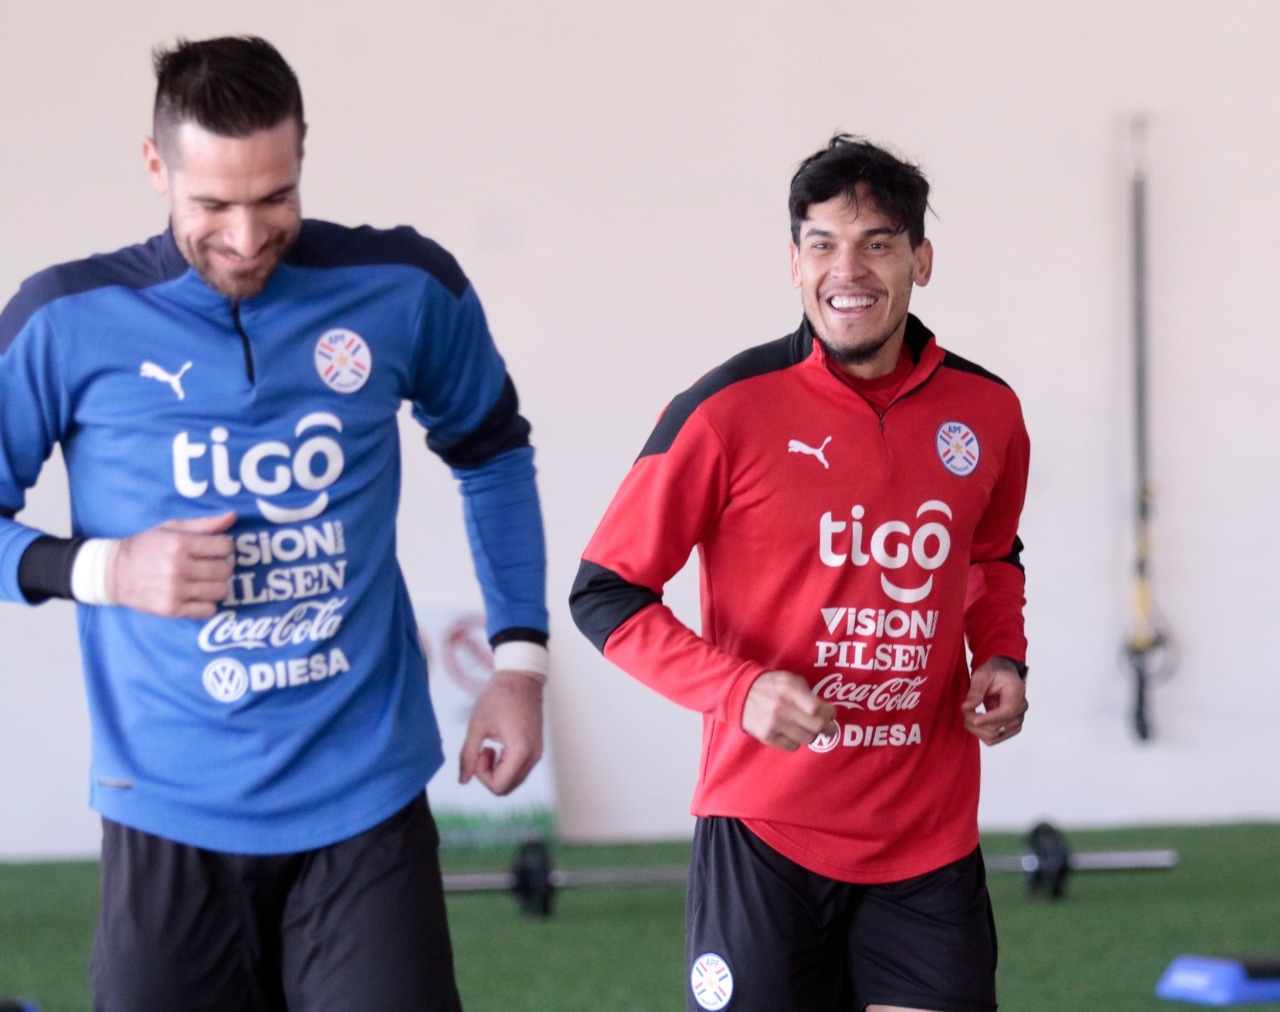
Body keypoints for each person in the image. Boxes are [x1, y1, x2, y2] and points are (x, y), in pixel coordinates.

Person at [0, 36, 549, 1011]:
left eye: (274, 197)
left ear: (301, 153)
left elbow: (492, 450)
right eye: (212, 205)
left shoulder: (403, 286)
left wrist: (519, 664)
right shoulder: (66, 321)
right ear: (155, 165)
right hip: (166, 808)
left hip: (366, 798)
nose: (248, 235)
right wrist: (99, 569)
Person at [570, 135, 1030, 1012]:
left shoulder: (989, 411)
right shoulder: (723, 410)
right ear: (793, 261)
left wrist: (1001, 657)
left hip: (927, 838)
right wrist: (737, 689)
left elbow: (988, 556)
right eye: (822, 242)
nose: (846, 269)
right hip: (765, 831)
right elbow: (606, 592)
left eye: (877, 242)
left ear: (920, 260)